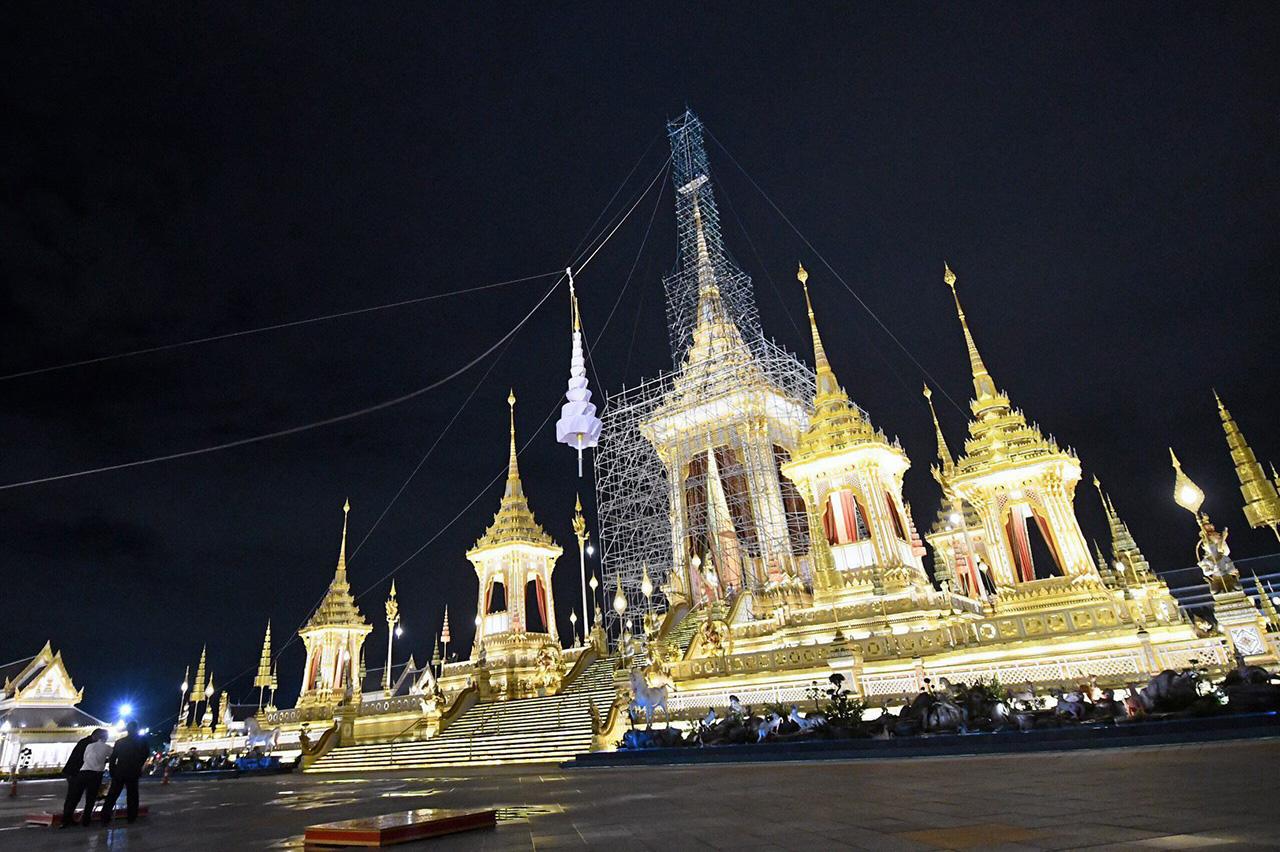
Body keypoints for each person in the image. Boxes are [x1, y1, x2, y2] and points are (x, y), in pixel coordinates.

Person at [101, 721, 148, 824]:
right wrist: (138, 765)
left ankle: (104, 817)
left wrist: (113, 770)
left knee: (112, 795)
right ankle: (131, 817)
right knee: (132, 795)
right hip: (133, 771)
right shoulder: (142, 742)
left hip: (120, 771)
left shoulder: (120, 742)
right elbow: (145, 755)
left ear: (127, 729)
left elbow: (113, 758)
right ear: (136, 729)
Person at [61, 728, 110, 828]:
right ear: (97, 736)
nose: (105, 740)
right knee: (75, 797)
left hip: (79, 773)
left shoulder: (86, 743)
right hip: (75, 773)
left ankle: (68, 819)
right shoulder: (87, 744)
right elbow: (84, 759)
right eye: (104, 737)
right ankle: (68, 820)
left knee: (74, 797)